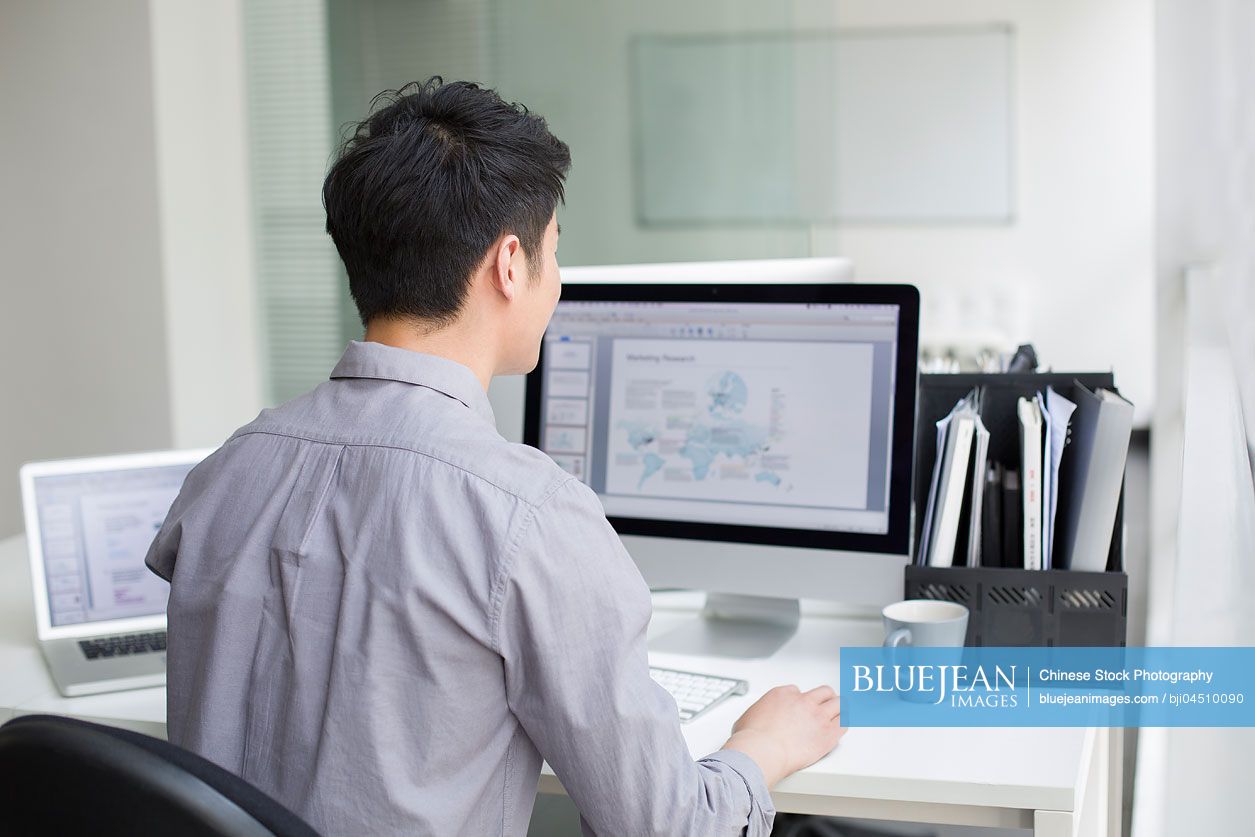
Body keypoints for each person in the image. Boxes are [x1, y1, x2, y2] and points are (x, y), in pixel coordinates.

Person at [146, 77, 845, 836]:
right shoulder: (526, 515)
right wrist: (760, 748)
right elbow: (666, 826)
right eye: (552, 253)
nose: (556, 281)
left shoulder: (226, 471)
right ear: (509, 264)